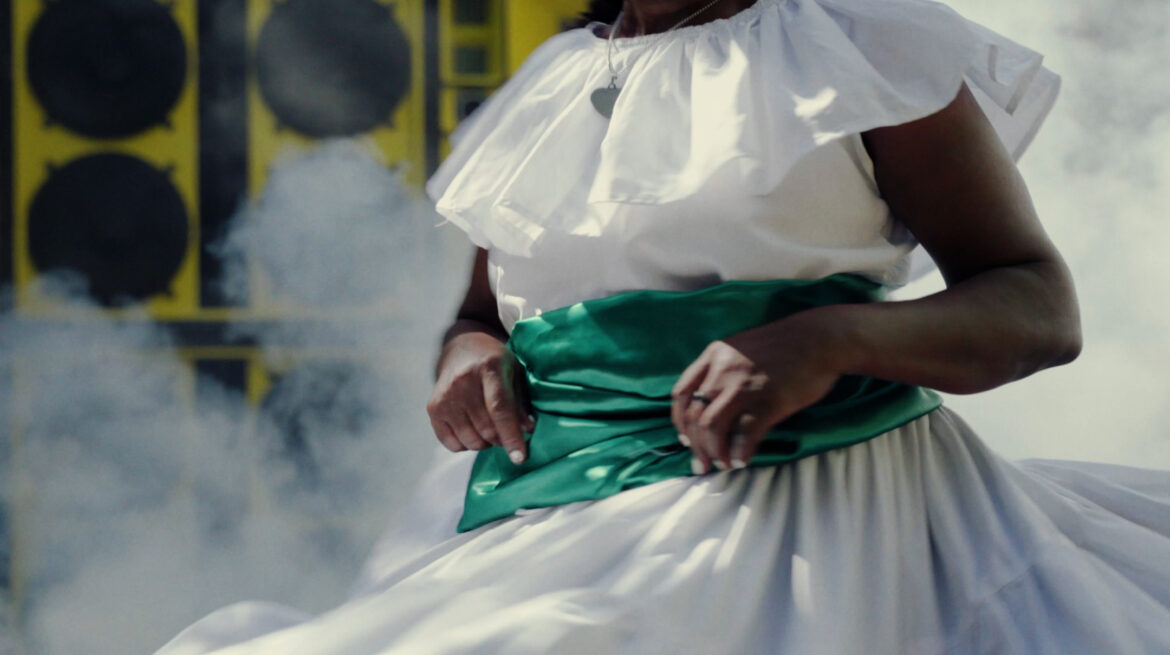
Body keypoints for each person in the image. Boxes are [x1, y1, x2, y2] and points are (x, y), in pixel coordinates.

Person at [157, 0, 1170, 652]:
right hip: (554, 511)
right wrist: (469, 357)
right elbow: (480, 316)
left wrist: (828, 341)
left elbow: (1037, 302)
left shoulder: (856, 47)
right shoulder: (550, 82)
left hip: (806, 512)